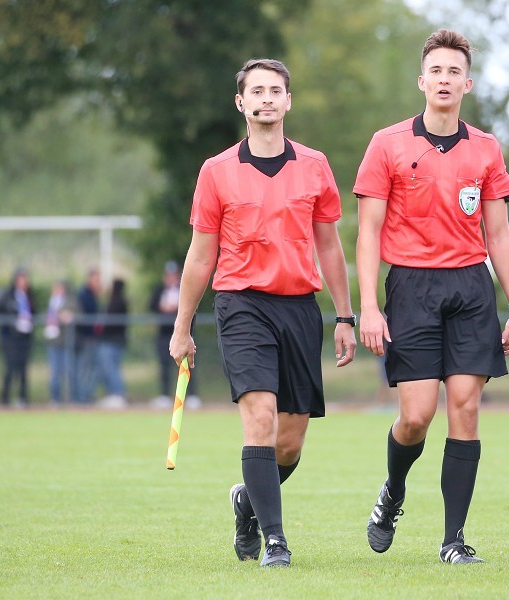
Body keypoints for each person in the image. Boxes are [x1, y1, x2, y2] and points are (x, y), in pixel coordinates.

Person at [169, 58, 357, 569]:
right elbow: (200, 255)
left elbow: (331, 247)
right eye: (258, 90)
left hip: (299, 307)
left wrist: (345, 316)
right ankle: (276, 540)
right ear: (242, 103)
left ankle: (248, 503)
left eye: (276, 90)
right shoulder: (216, 171)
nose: (267, 98)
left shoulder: (315, 165)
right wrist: (182, 326)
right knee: (260, 417)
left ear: (288, 101)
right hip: (241, 303)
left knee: (290, 443)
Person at [353, 29, 509, 565]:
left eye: (455, 72)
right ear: (421, 81)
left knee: (466, 409)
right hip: (411, 287)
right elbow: (367, 233)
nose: (445, 80)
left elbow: (498, 234)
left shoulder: (486, 149)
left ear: (467, 83)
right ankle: (393, 491)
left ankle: (454, 540)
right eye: (437, 71)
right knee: (417, 416)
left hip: (471, 286)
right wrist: (370, 307)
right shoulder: (388, 144)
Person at [149, 261, 199, 407]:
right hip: (164, 334)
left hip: (183, 334)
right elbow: (151, 306)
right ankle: (164, 395)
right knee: (164, 365)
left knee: (189, 364)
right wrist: (162, 307)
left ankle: (191, 396)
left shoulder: (184, 290)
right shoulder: (159, 290)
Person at [0, 268, 36, 407]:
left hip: (25, 337)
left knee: (23, 368)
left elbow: (34, 312)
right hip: (9, 337)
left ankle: (23, 398)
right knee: (10, 367)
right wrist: (11, 322)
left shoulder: (29, 295)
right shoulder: (6, 295)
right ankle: (4, 399)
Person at [73, 268, 103, 404]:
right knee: (84, 368)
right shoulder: (84, 295)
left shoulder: (93, 295)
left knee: (92, 368)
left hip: (92, 338)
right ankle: (81, 397)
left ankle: (86, 395)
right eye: (96, 279)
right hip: (85, 338)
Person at [97, 278, 129, 409]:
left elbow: (108, 322)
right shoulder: (121, 302)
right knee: (110, 368)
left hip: (111, 340)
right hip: (114, 340)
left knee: (111, 368)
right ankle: (114, 393)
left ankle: (118, 394)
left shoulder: (116, 302)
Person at [44, 280, 75, 406]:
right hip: (53, 341)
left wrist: (68, 316)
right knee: (55, 371)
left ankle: (70, 398)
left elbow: (76, 314)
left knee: (68, 371)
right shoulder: (51, 302)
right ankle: (55, 398)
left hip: (65, 342)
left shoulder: (70, 302)